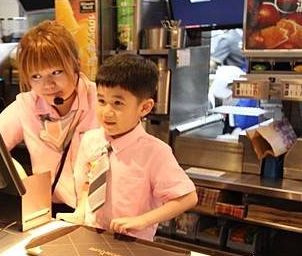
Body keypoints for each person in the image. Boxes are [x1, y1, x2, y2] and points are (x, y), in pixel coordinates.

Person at [58, 54, 198, 241]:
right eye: (101, 101)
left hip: (133, 244)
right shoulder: (90, 140)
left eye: (118, 103)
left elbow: (187, 197)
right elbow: (88, 184)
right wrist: (80, 211)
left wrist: (143, 220)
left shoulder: (155, 152)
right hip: (91, 236)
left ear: (144, 108)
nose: (107, 111)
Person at [0, 21, 99, 213]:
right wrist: (16, 173)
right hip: (49, 210)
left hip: (99, 212)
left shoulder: (101, 101)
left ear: (76, 64)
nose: (48, 85)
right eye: (36, 76)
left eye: (56, 72)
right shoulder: (26, 105)